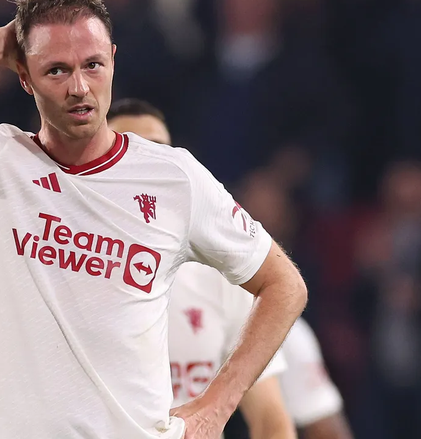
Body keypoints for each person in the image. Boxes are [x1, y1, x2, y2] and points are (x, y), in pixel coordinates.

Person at [0, 0, 308, 438]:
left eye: (93, 65)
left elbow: (285, 285)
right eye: (55, 70)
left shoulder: (175, 177)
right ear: (24, 76)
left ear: (113, 60)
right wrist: (1, 42)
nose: (79, 87)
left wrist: (217, 406)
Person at [108, 99, 352, 439]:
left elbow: (273, 420)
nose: (151, 167)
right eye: (133, 150)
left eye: (161, 151)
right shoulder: (60, 271)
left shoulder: (228, 282)